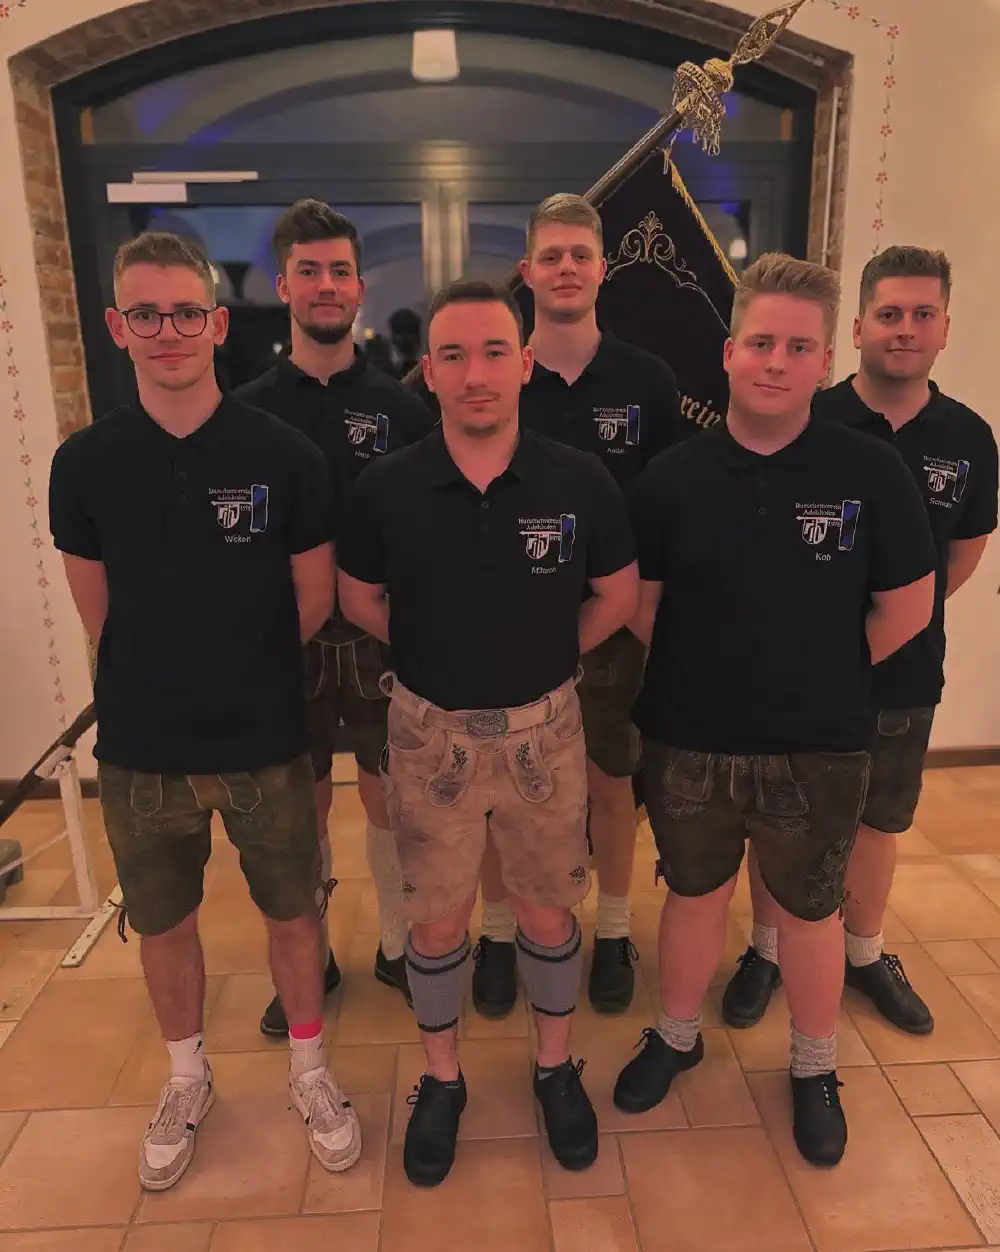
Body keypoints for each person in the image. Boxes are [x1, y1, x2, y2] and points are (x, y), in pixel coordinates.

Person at [48, 232, 362, 1190]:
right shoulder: (84, 463)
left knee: (293, 911)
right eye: (146, 314)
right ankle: (187, 1076)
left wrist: (237, 671)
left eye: (187, 311)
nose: (169, 330)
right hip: (143, 746)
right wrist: (168, 674)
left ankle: (309, 1068)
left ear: (218, 324)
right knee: (164, 920)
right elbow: (100, 614)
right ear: (118, 328)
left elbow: (313, 597)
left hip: (265, 735)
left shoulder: (285, 454)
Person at [614, 254, 936, 1167]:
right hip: (690, 737)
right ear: (729, 352)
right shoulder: (670, 479)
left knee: (809, 914)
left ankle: (814, 1065)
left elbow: (908, 608)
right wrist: (719, 669)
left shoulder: (870, 471)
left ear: (824, 360)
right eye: (760, 342)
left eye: (798, 348)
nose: (776, 362)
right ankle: (677, 1036)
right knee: (693, 898)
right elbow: (643, 606)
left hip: (819, 741)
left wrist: (815, 669)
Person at [337, 278, 639, 1186]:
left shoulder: (578, 479)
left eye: (495, 353)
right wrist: (437, 657)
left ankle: (555, 1067)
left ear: (526, 364)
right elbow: (360, 597)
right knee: (435, 922)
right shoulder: (385, 487)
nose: (476, 374)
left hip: (546, 734)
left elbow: (617, 594)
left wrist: (546, 653)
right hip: (429, 739)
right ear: (428, 372)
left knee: (547, 911)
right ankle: (442, 1079)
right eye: (455, 356)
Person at [723, 246, 999, 1036]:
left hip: (903, 671)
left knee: (879, 820)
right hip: (796, 675)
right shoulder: (811, 421)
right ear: (856, 329)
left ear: (945, 327)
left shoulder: (969, 437)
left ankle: (865, 951)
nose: (904, 329)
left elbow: (960, 557)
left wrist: (883, 634)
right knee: (780, 818)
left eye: (922, 315)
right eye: (889, 314)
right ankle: (767, 950)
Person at [469, 193, 684, 1020]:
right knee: (497, 793)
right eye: (551, 256)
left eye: (580, 255)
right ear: (527, 272)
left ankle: (616, 931)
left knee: (611, 783)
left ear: (602, 269)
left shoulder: (648, 381)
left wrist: (644, 611)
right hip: (506, 624)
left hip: (616, 624)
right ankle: (497, 935)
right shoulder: (497, 375)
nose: (565, 268)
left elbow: (667, 511)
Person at [237, 201, 434, 1036]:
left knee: (393, 799)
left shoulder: (403, 408)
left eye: (340, 271)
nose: (326, 285)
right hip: (285, 638)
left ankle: (395, 945)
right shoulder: (245, 413)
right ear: (284, 285)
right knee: (302, 806)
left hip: (381, 634)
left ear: (359, 287)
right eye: (309, 271)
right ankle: (310, 959)